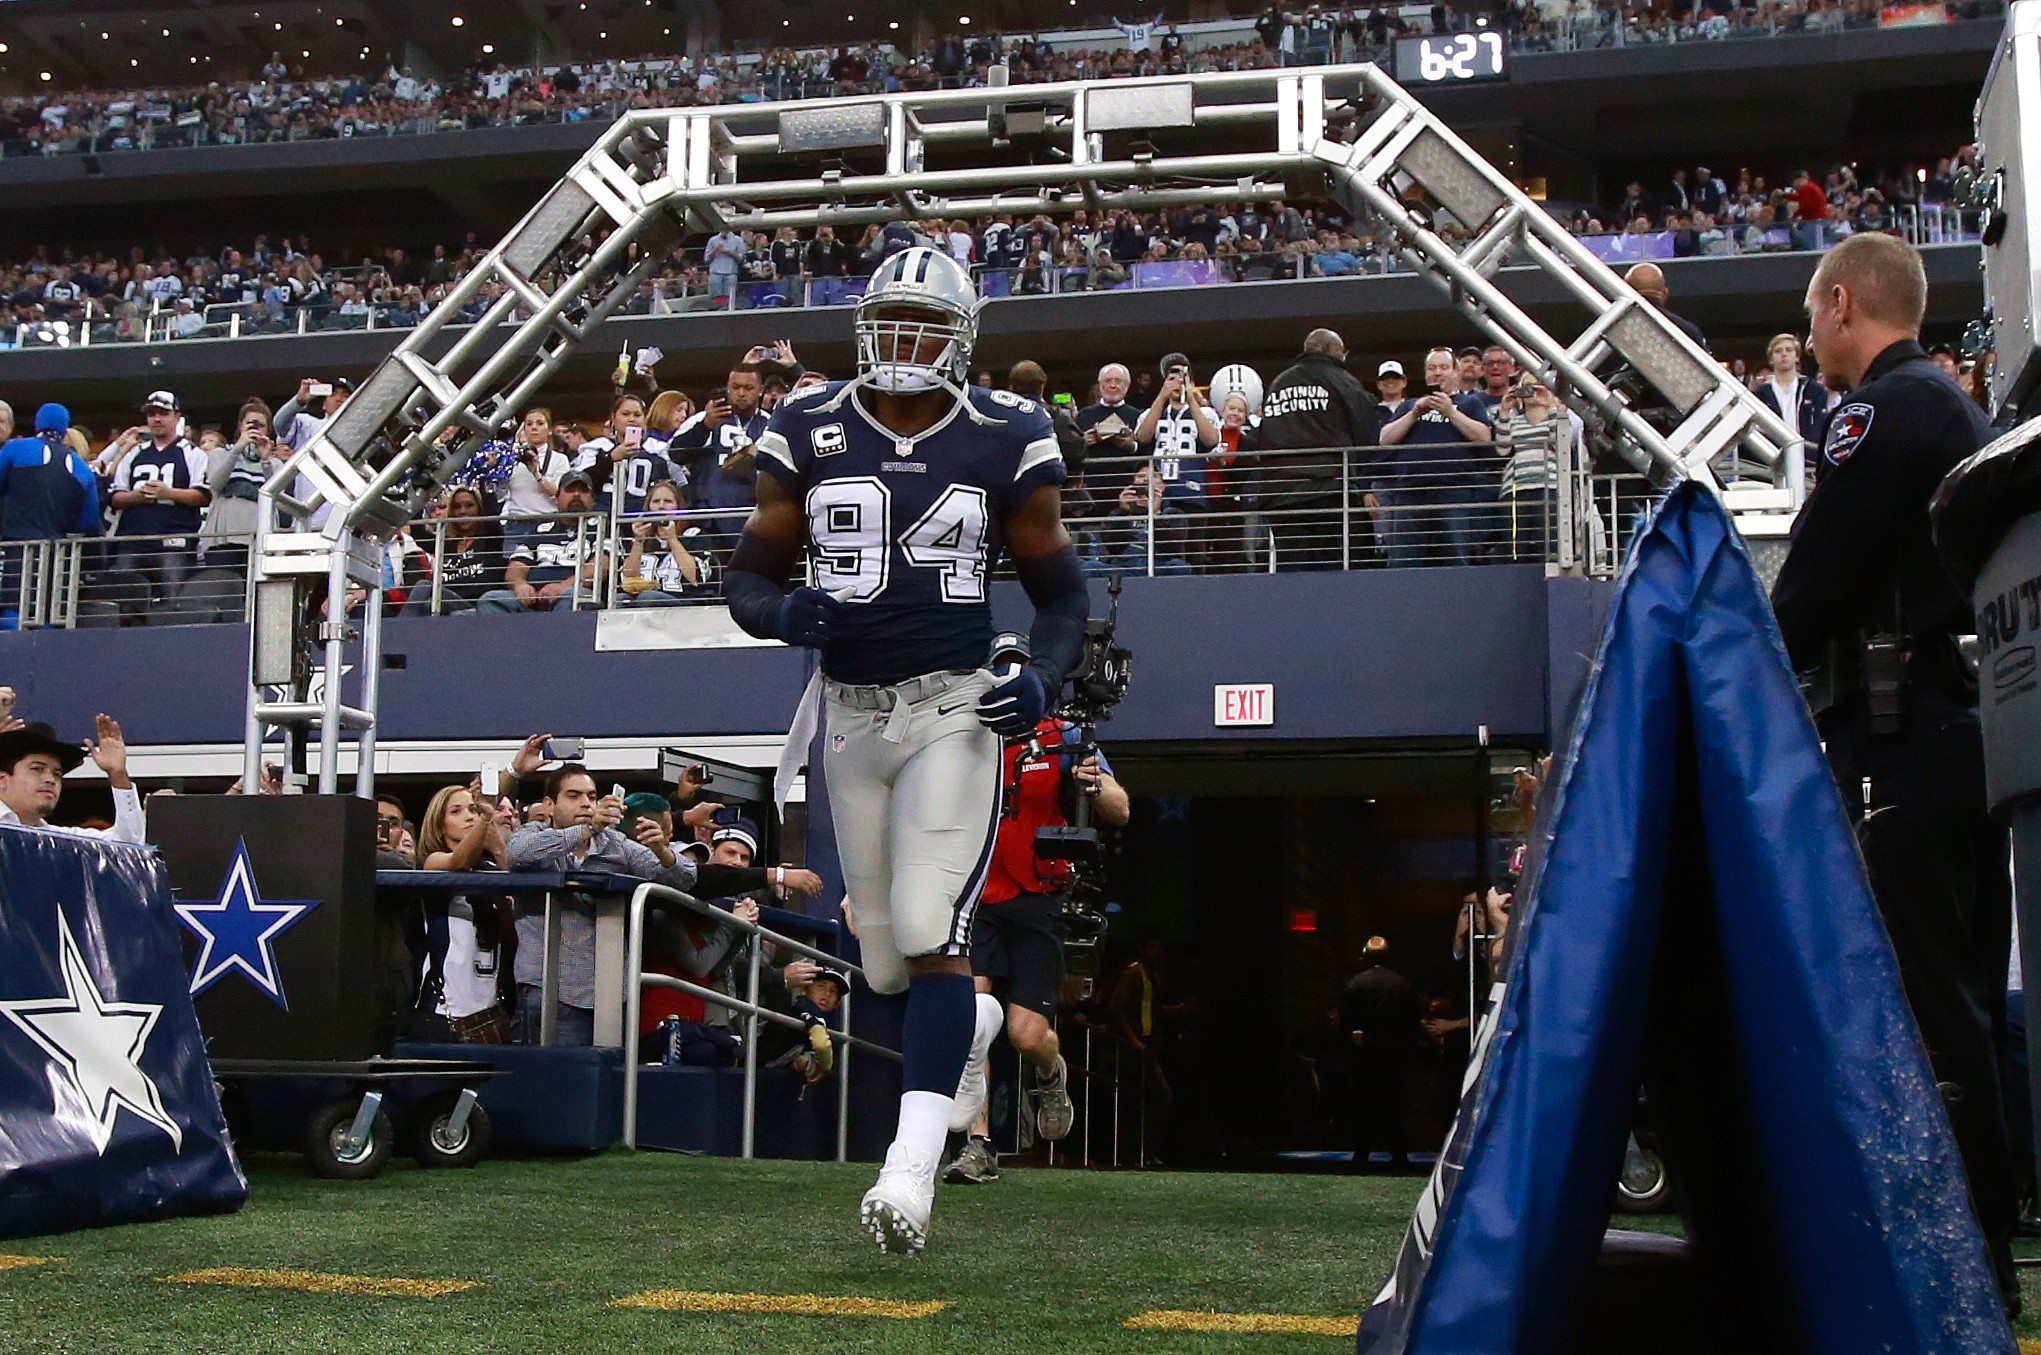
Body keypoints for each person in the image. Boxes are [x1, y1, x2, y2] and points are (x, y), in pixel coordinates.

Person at [724, 245, 1088, 1254]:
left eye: (927, 324)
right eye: (892, 319)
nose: (905, 341)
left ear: (962, 338)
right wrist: (779, 610)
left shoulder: (1008, 429)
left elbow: (1061, 595)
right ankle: (973, 1023)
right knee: (885, 965)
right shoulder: (808, 421)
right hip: (849, 716)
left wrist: (1042, 675)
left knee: (931, 926)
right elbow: (746, 575)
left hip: (953, 706)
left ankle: (909, 1168)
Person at [1770, 231, 2019, 1315]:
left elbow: (1816, 578)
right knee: (1962, 995)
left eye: (1812, 315)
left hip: (1900, 735)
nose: (1813, 333)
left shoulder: (1883, 410)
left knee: (1923, 1004)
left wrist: (1740, 660)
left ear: (1839, 303)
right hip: (1957, 731)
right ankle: (1982, 1248)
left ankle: (1959, 1262)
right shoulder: (1950, 406)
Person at [946, 631, 1131, 1186]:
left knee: (1025, 1035)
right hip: (977, 896)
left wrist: (1091, 783)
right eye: (1000, 668)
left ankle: (1052, 1073)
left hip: (1039, 895)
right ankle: (978, 1144)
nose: (1008, 678)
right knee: (971, 1024)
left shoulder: (1064, 733)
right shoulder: (966, 737)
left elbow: (1120, 808)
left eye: (1018, 668)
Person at [506, 763, 699, 1046]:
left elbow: (685, 878)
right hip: (545, 988)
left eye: (591, 796)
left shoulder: (614, 843)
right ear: (549, 804)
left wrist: (662, 851)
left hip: (608, 994)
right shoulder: (532, 833)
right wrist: (586, 830)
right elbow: (517, 853)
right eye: (573, 795)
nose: (585, 803)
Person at [1252, 328, 1378, 570]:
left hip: (1281, 495)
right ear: (1332, 350)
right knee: (1337, 566)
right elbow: (1366, 429)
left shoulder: (1279, 383)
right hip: (1329, 490)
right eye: (1343, 352)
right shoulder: (1341, 379)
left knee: (1293, 569)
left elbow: (1264, 437)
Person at [414, 781, 515, 1043]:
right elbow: (457, 861)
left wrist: (497, 845)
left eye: (472, 809)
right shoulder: (431, 861)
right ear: (439, 825)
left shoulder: (491, 871)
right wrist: (485, 818)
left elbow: (520, 884)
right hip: (444, 1011)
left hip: (491, 1010)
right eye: (456, 811)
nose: (469, 816)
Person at [1376, 346, 1495, 567]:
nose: (1437, 373)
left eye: (1443, 367)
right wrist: (1414, 414)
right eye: (1432, 368)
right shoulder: (1410, 404)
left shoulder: (1470, 403)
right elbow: (1385, 439)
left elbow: (1484, 437)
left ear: (1455, 372)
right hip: (1410, 493)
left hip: (1454, 492)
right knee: (1405, 562)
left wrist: (1451, 412)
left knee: (1454, 559)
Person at [106, 389, 211, 596]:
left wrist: (168, 493)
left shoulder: (193, 453)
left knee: (173, 600)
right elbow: (114, 497)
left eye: (163, 413)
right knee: (123, 598)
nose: (157, 419)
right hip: (133, 541)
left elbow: (203, 495)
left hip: (174, 543)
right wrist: (137, 496)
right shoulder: (134, 453)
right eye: (151, 414)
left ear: (177, 417)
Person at [0, 716, 143, 844]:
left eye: (57, 774)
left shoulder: (60, 842)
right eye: (37, 769)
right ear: (2, 780)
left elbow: (128, 846)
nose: (50, 779)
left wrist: (118, 774)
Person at [1343, 936, 1420, 1170]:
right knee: (1394, 1103)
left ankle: (1362, 1152)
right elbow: (1412, 1020)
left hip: (1366, 1050)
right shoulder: (1402, 984)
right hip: (1395, 1051)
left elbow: (1347, 1020)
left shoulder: (1356, 983)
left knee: (1364, 1102)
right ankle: (1398, 1152)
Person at [1754, 332, 1830, 498]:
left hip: (1807, 463)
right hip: (1773, 463)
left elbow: (1819, 426)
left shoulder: (1814, 390)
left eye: (1789, 350)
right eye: (1778, 351)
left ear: (1797, 357)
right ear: (1771, 359)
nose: (1784, 354)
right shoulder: (1760, 394)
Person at [619, 479, 712, 606]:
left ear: (678, 506)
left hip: (682, 599)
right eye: (656, 501)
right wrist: (639, 542)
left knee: (648, 597)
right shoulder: (639, 538)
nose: (661, 506)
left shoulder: (694, 535)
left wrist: (672, 539)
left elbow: (694, 578)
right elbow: (629, 579)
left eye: (668, 501)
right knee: (620, 600)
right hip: (643, 596)